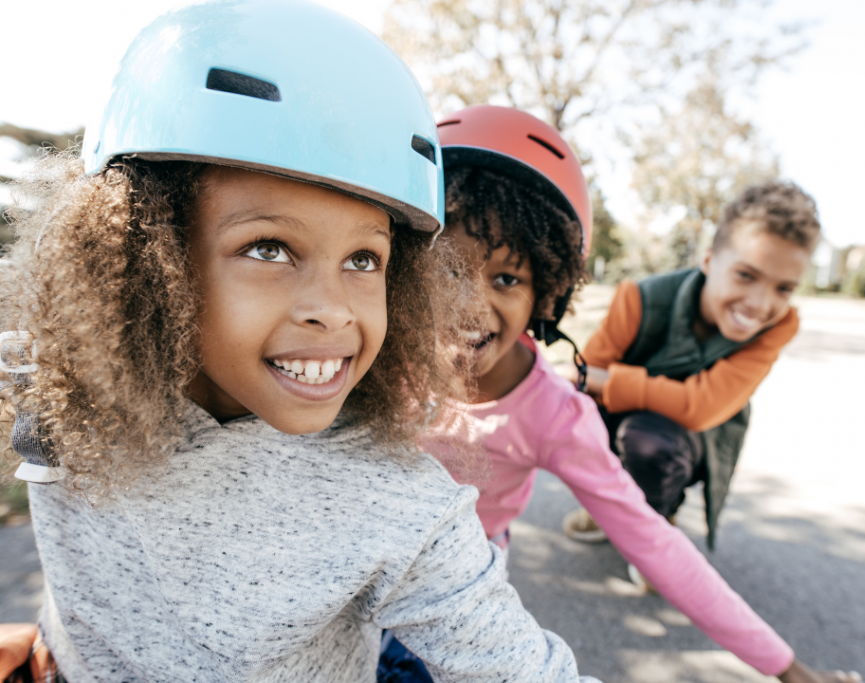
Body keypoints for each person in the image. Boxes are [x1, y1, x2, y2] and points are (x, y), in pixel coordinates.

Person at [0, 4, 601, 682]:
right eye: (269, 248)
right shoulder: (58, 383)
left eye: (364, 259)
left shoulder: (399, 508)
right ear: (144, 257)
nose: (333, 310)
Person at [415, 105, 860, 683]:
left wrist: (788, 668)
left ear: (546, 293)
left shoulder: (552, 415)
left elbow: (656, 543)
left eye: (507, 278)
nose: (469, 306)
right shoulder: (377, 356)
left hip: (462, 572)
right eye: (447, 269)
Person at [563, 181, 818, 558]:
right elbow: (581, 379)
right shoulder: (640, 298)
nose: (760, 303)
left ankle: (656, 522)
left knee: (651, 442)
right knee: (577, 417)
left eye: (783, 289)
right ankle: (608, 503)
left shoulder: (779, 325)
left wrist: (612, 381)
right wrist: (598, 382)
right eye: (746, 275)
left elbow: (700, 408)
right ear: (709, 261)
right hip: (618, 421)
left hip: (692, 440)